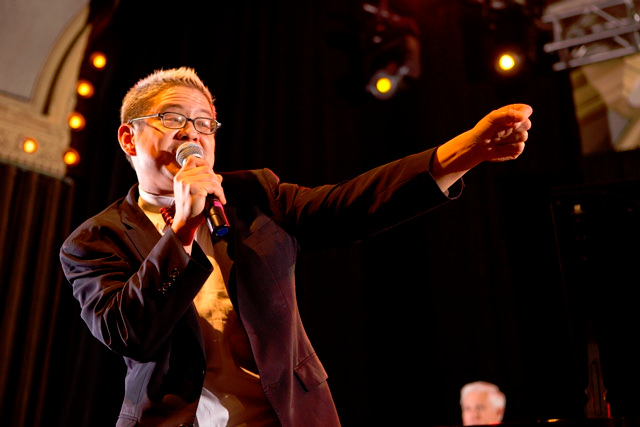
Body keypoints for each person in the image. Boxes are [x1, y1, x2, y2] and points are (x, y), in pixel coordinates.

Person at [59, 66, 532, 427]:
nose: (193, 133)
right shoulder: (94, 240)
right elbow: (128, 333)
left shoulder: (254, 197)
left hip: (288, 415)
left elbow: (352, 204)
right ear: (129, 137)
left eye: (206, 124)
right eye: (173, 118)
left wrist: (467, 150)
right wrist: (181, 228)